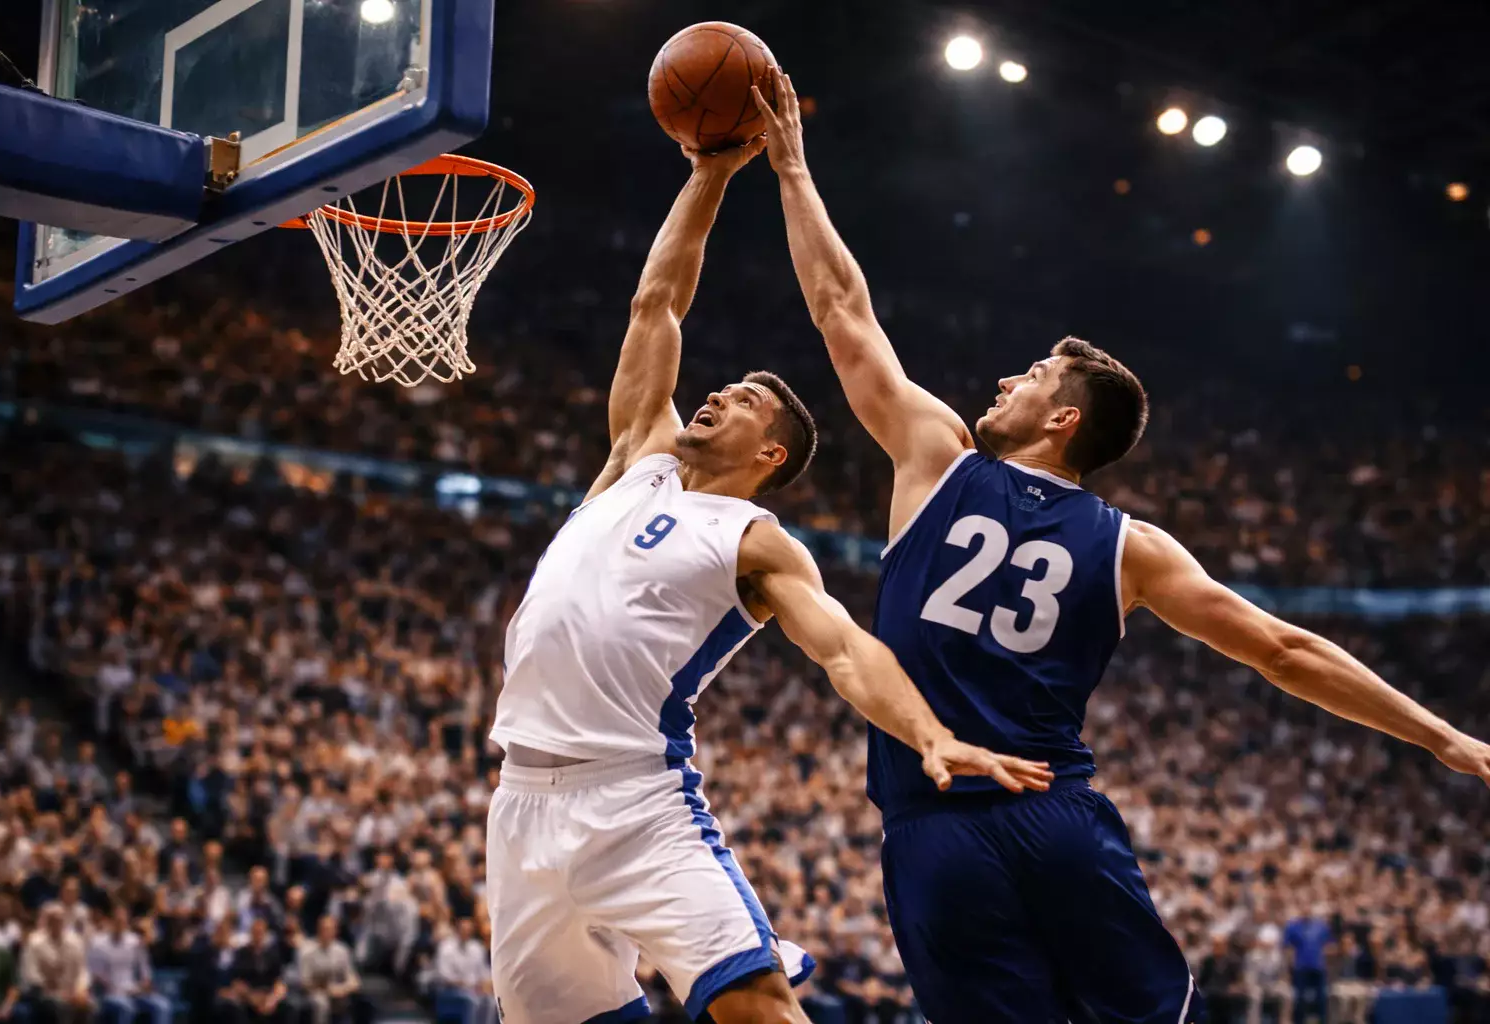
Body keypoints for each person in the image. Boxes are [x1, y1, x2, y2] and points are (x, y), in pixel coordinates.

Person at [751, 64, 1490, 1024]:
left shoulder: (936, 459)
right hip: (1056, 819)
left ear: (1062, 419)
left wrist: (793, 171)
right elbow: (1284, 650)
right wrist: (1441, 737)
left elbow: (842, 313)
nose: (1005, 382)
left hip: (936, 825)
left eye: (1029, 377)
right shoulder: (1132, 548)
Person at [485, 137, 1049, 1024]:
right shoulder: (637, 458)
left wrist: (930, 737)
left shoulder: (756, 539)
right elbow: (655, 304)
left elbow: (843, 649)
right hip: (517, 803)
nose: (716, 394)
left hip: (635, 797)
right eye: (725, 387)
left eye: (745, 399)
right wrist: (709, 175)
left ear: (770, 453)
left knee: (753, 1004)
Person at [86, 906, 170, 1024]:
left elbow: (144, 969)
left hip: (133, 990)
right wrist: (119, 990)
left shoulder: (135, 942)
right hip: (109, 993)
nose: (120, 924)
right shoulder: (98, 943)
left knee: (162, 1005)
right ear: (110, 921)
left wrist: (144, 984)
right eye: (117, 921)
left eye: (123, 921)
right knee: (126, 1007)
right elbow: (96, 975)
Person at [19, 905, 92, 1024]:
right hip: (46, 992)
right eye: (54, 920)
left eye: (60, 920)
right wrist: (45, 983)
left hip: (72, 991)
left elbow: (82, 971)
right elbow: (30, 973)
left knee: (88, 1005)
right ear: (47, 922)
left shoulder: (75, 941)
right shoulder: (35, 942)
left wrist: (81, 988)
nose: (57, 924)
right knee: (60, 1006)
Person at [296, 917, 359, 1024]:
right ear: (318, 930)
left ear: (336, 931)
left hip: (338, 990)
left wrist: (342, 989)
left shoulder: (342, 950)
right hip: (315, 992)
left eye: (331, 929)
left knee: (358, 1001)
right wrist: (327, 990)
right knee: (321, 1003)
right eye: (324, 929)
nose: (327, 932)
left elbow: (353, 980)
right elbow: (304, 982)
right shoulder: (307, 950)